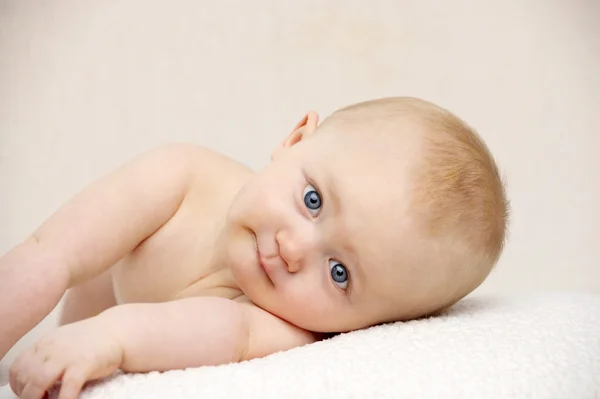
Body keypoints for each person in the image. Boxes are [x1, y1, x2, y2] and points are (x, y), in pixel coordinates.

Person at [0, 97, 509, 399]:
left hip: (112, 326)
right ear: (293, 141)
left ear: (370, 325)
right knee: (61, 264)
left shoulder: (287, 327)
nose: (294, 251)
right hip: (102, 283)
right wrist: (71, 317)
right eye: (313, 200)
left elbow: (218, 331)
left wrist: (105, 340)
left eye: (339, 274)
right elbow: (50, 252)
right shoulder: (183, 175)